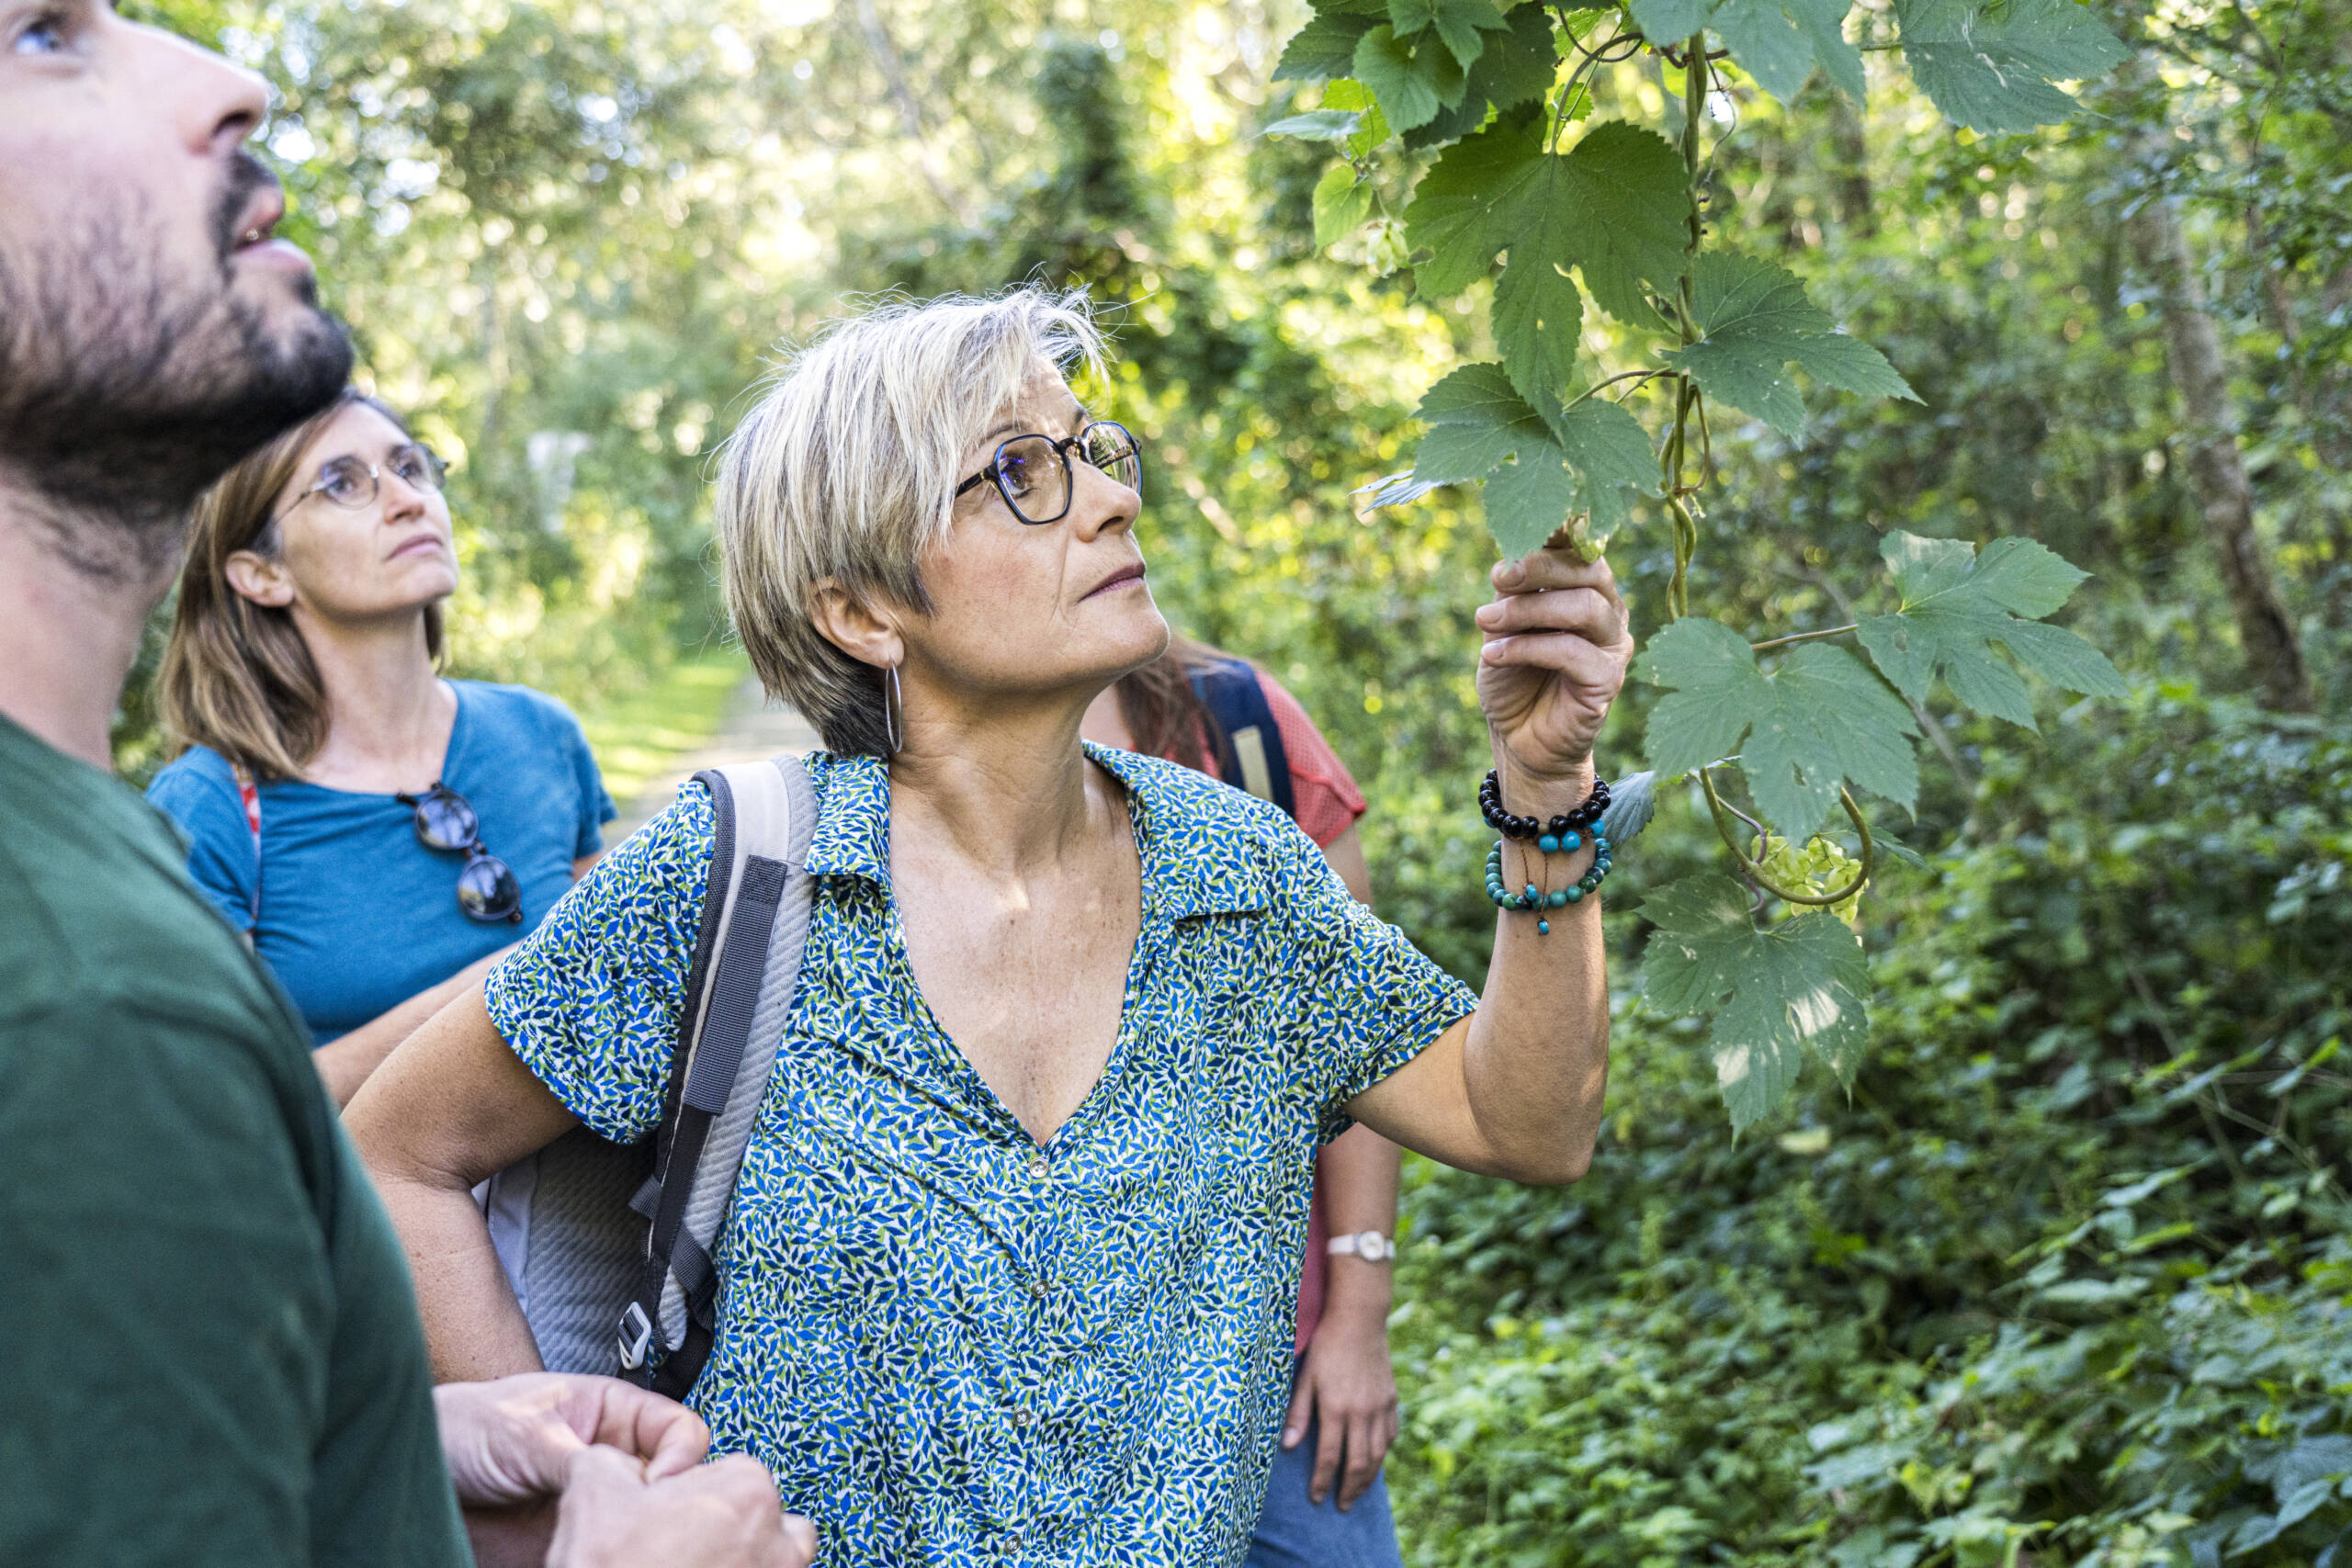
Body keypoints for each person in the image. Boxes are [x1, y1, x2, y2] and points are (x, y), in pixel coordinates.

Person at [349, 287, 1632, 1567]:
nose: (1111, 497)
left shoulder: (1240, 878)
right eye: (1019, 471)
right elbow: (397, 1151)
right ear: (862, 610)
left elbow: (1527, 1120)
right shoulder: (736, 875)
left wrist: (1545, 794)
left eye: (1092, 450)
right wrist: (580, 1495)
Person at [0, 4, 812, 1563]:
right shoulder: (94, 1004)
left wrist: (395, 1444)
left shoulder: (92, 886)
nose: (231, 82)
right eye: (44, 35)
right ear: (254, 576)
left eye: (407, 465)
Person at [146, 386, 616, 1108]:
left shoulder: (541, 732)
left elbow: (624, 998)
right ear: (262, 574)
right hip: (366, 1218)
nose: (405, 498)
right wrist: (501, 988)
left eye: (411, 466)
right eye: (342, 484)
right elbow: (229, 1112)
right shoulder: (206, 809)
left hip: (592, 1210)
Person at [1083, 643, 1408, 1565]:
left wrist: (1357, 1310)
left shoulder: (1234, 725)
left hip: (1265, 1366)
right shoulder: (893, 757)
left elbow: (1354, 1039)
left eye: (1110, 486)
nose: (1101, 510)